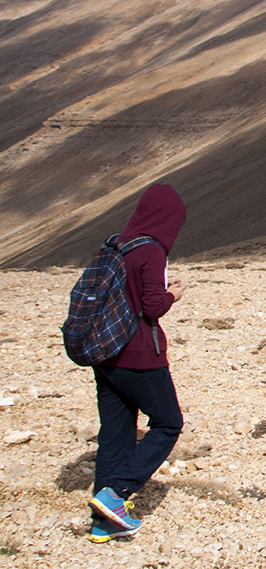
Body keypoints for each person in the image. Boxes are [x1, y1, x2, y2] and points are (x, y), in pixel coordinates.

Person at [87, 184, 187, 543]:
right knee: (167, 423)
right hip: (140, 356)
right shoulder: (151, 251)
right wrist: (172, 294)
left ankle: (103, 524)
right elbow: (152, 306)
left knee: (115, 436)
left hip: (105, 355)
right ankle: (115, 495)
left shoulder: (114, 245)